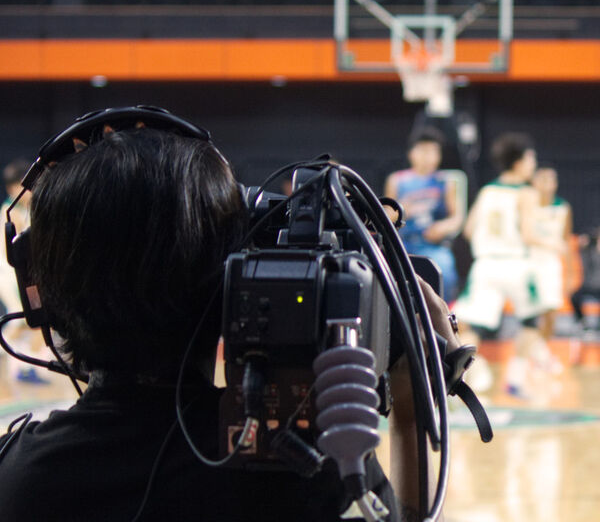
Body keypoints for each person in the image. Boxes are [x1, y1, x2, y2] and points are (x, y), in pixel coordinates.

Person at [0, 109, 463, 522]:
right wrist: (409, 404)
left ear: (44, 296)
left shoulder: (19, 477)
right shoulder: (301, 474)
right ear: (233, 284)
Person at [455, 133, 563, 396]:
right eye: (530, 158)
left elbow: (468, 230)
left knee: (474, 326)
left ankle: (469, 371)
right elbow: (527, 234)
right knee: (529, 323)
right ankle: (515, 379)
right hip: (515, 265)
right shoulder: (526, 193)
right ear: (519, 161)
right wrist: (553, 244)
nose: (533, 163)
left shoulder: (487, 190)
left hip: (485, 265)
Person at [384, 127, 463, 303]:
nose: (428, 156)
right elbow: (386, 217)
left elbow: (456, 218)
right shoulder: (398, 180)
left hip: (432, 245)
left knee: (445, 269)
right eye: (424, 151)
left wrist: (442, 227)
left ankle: (444, 312)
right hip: (403, 243)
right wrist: (403, 210)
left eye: (433, 151)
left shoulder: (445, 181)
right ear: (412, 153)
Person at [0, 159, 50, 383]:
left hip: (22, 271)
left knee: (33, 317)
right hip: (9, 272)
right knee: (23, 315)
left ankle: (24, 368)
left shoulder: (27, 209)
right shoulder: (11, 213)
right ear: (15, 188)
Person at [530, 166, 574, 341]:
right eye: (543, 179)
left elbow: (567, 241)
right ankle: (529, 352)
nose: (548, 184)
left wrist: (569, 273)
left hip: (550, 263)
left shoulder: (562, 208)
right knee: (531, 312)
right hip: (529, 260)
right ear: (534, 182)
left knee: (551, 310)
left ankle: (543, 348)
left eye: (551, 180)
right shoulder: (527, 206)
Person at [570, 229, 600, 332]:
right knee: (574, 296)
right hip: (589, 285)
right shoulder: (589, 250)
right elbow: (581, 245)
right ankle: (581, 322)